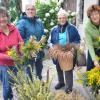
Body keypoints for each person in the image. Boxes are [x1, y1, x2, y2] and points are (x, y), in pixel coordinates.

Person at [48, 9, 80, 93]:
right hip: (58, 52)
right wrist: (52, 47)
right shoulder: (54, 29)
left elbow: (77, 40)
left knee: (68, 68)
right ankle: (61, 82)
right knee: (58, 67)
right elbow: (50, 41)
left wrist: (73, 47)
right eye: (60, 18)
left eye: (63, 17)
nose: (62, 19)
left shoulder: (72, 28)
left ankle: (69, 86)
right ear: (57, 19)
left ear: (66, 18)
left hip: (68, 52)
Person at [16, 4, 45, 80]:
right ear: (25, 11)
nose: (30, 11)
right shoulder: (21, 23)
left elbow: (43, 34)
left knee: (39, 69)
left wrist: (43, 37)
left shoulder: (39, 22)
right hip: (29, 52)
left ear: (35, 11)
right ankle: (30, 88)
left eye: (32, 9)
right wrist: (30, 44)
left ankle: (39, 86)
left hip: (39, 51)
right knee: (29, 71)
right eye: (28, 9)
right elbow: (18, 38)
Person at [0, 7, 23, 100]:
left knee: (17, 84)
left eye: (4, 16)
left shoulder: (14, 29)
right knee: (7, 86)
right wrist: (9, 57)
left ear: (7, 17)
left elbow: (20, 42)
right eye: (0, 17)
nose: (2, 19)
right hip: (3, 64)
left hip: (16, 61)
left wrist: (22, 51)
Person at [84, 5, 100, 71]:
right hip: (93, 48)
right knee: (90, 68)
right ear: (89, 17)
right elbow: (90, 45)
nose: (94, 16)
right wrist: (94, 60)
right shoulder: (87, 27)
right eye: (92, 15)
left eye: (96, 14)